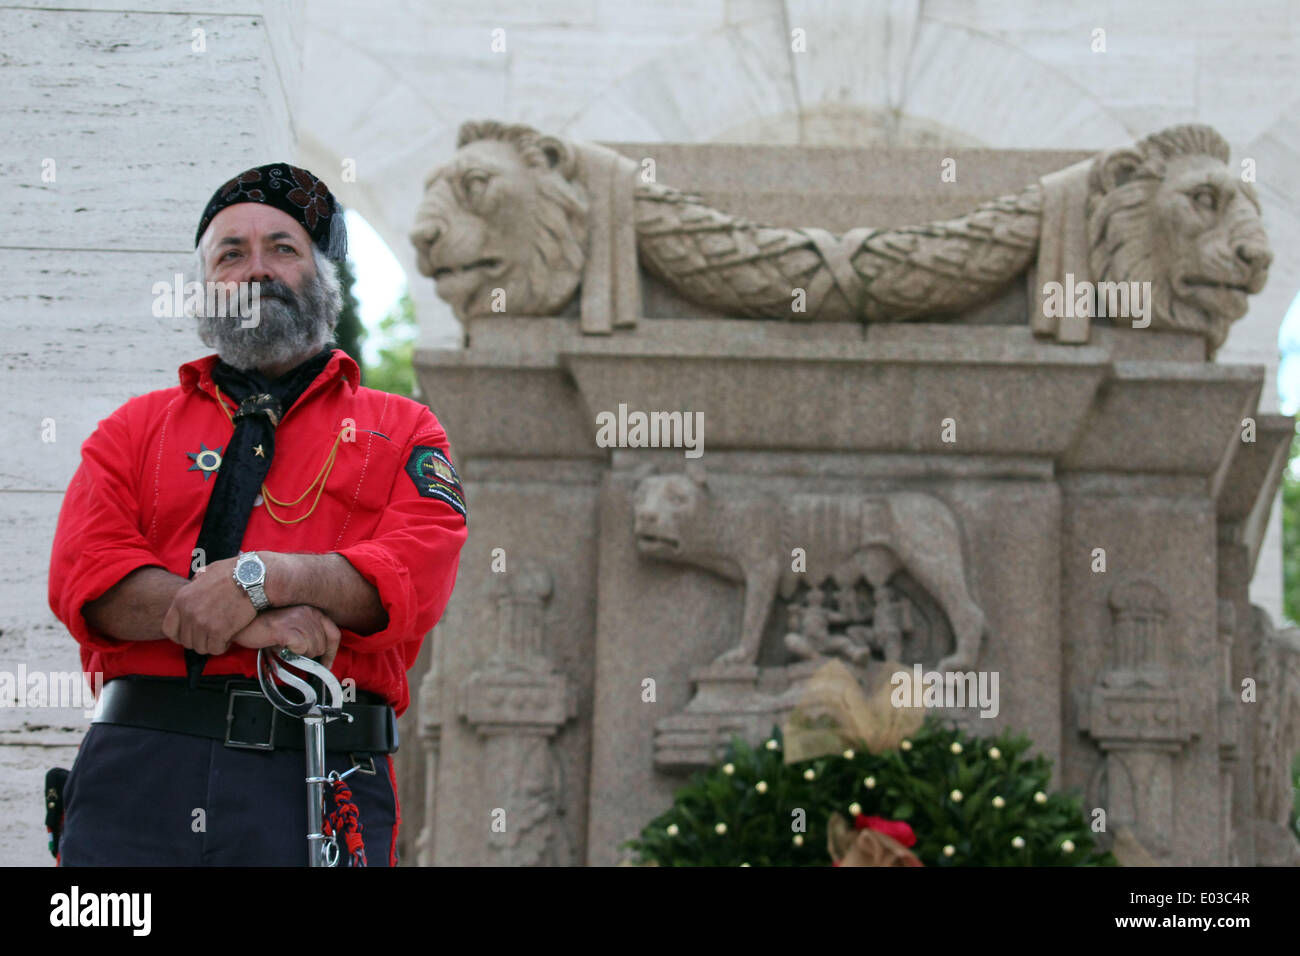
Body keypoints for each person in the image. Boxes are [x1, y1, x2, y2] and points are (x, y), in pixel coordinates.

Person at [47, 163, 468, 866]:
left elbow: (414, 578)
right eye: (230, 253)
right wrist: (269, 619)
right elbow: (88, 579)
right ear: (206, 286)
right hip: (137, 776)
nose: (256, 269)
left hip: (319, 772)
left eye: (283, 247)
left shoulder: (408, 430)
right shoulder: (132, 429)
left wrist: (264, 574)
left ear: (323, 279)